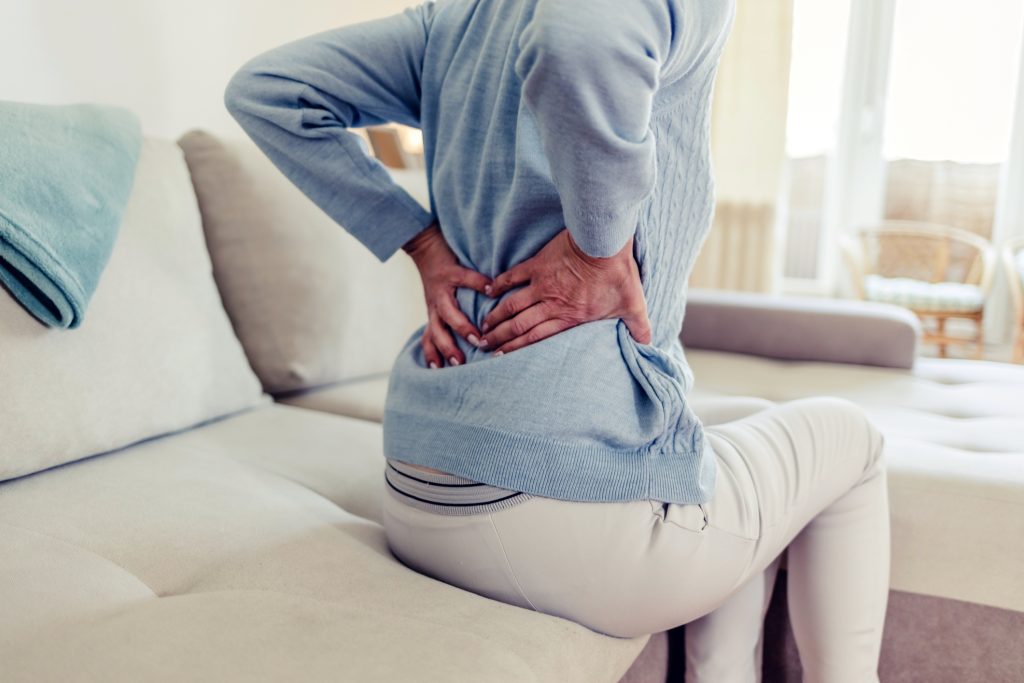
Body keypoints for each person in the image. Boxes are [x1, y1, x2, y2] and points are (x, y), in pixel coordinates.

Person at [224, 0, 891, 680]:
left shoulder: (456, 20)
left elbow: (270, 89)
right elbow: (581, 34)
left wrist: (419, 238)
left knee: (730, 439)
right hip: (565, 526)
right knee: (855, 439)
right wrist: (597, 251)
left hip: (420, 495)